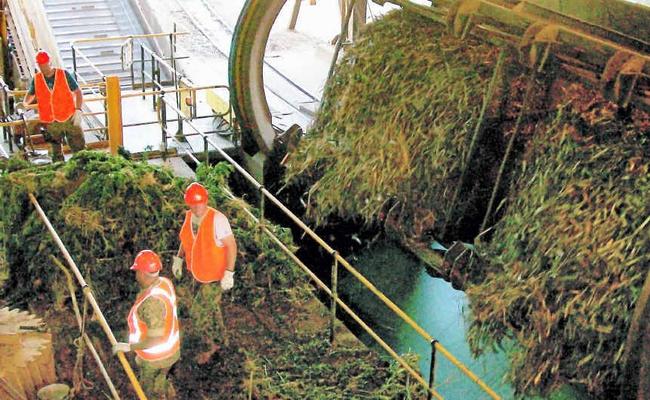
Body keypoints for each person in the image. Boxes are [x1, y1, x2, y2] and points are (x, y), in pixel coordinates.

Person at [173, 182, 237, 364]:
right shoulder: (189, 217)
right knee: (212, 308)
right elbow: (185, 240)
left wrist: (229, 273)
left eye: (199, 203)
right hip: (198, 273)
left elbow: (231, 246)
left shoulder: (218, 219)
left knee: (199, 312)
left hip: (215, 276)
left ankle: (210, 347)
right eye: (192, 204)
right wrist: (178, 259)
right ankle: (222, 339)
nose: (196, 207)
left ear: (206, 201)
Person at [113, 250, 180, 399]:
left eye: (136, 271)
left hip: (156, 358)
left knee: (147, 392)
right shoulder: (164, 282)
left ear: (142, 273)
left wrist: (129, 347)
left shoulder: (152, 304)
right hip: (172, 351)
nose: (135, 275)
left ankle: (157, 394)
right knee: (161, 377)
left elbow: (155, 339)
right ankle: (163, 388)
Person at [22, 50, 85, 161]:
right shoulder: (37, 79)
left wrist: (78, 110)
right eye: (40, 65)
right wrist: (25, 104)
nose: (43, 67)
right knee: (55, 152)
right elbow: (30, 95)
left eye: (44, 64)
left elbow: (78, 91)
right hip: (50, 121)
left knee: (79, 148)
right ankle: (59, 170)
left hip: (69, 117)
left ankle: (81, 167)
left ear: (49, 62)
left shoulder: (63, 74)